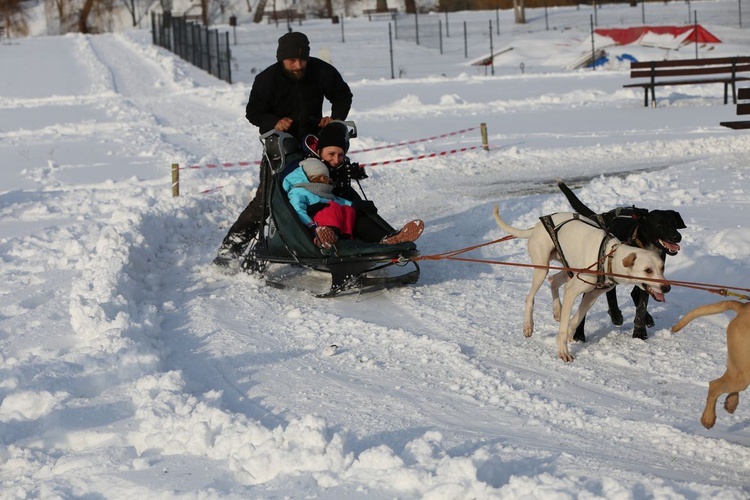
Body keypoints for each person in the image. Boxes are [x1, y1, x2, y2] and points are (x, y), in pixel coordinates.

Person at [213, 31, 353, 267]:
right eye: (291, 61)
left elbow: (342, 95)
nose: (298, 65)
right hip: (278, 148)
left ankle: (333, 244)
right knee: (267, 200)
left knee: (328, 193)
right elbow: (253, 112)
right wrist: (273, 122)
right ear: (281, 60)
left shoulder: (321, 71)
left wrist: (335, 119)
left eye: (302, 60)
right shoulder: (266, 79)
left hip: (314, 145)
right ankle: (230, 250)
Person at [283, 158, 424, 250]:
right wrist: (312, 228)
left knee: (353, 214)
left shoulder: (326, 193)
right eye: (320, 179)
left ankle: (387, 239)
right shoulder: (298, 192)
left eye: (325, 179)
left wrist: (357, 205)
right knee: (331, 209)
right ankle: (325, 239)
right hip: (317, 228)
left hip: (343, 228)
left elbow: (340, 201)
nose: (325, 183)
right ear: (308, 177)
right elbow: (297, 211)